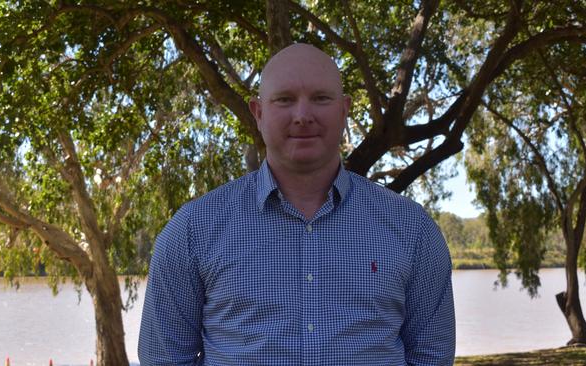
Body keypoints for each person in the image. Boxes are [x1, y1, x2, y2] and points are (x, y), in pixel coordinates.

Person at [139, 43, 455, 365]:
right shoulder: (193, 231)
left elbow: (432, 356)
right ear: (258, 113)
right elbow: (163, 358)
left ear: (344, 111)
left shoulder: (412, 230)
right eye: (284, 100)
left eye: (320, 98)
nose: (303, 116)